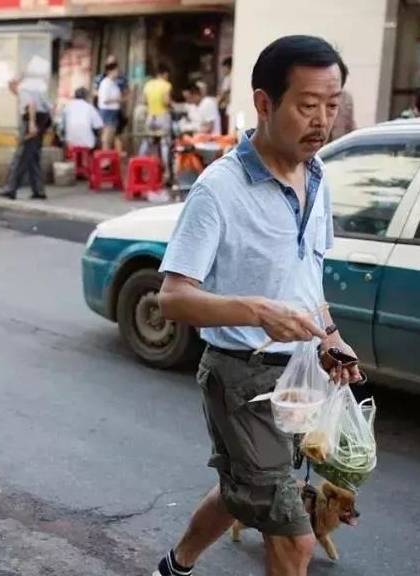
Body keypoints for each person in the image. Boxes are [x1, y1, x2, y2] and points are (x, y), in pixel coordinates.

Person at [153, 35, 360, 576]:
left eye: (332, 106)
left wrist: (331, 338)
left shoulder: (318, 179)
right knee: (294, 537)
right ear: (265, 103)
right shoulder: (218, 189)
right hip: (240, 379)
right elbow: (172, 298)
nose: (322, 120)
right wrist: (256, 311)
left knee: (241, 491)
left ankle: (174, 566)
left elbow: (306, 279)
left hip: (297, 378)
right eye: (307, 105)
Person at [0, 76, 51, 200]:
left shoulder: (23, 89)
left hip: (32, 121)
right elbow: (49, 106)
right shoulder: (36, 88)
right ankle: (38, 190)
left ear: (13, 84)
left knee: (21, 156)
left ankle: (10, 188)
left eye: (11, 88)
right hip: (42, 120)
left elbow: (31, 105)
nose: (12, 92)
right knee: (33, 157)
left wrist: (31, 124)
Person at [97, 62, 123, 151]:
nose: (118, 72)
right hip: (107, 111)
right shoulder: (105, 83)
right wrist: (118, 100)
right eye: (116, 70)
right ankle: (105, 157)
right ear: (110, 71)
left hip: (113, 111)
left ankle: (111, 156)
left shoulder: (113, 83)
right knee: (106, 137)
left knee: (112, 136)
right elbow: (105, 99)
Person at [144, 65, 173, 136]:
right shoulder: (166, 85)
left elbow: (145, 101)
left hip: (150, 117)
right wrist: (171, 105)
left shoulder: (147, 84)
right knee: (164, 141)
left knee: (148, 140)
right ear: (165, 74)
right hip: (162, 117)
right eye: (167, 75)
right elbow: (166, 101)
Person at [219, 57, 233, 134]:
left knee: (225, 128)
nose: (223, 70)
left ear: (228, 67)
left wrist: (217, 103)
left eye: (224, 68)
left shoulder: (228, 78)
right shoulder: (235, 77)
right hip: (229, 104)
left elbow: (224, 93)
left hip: (226, 106)